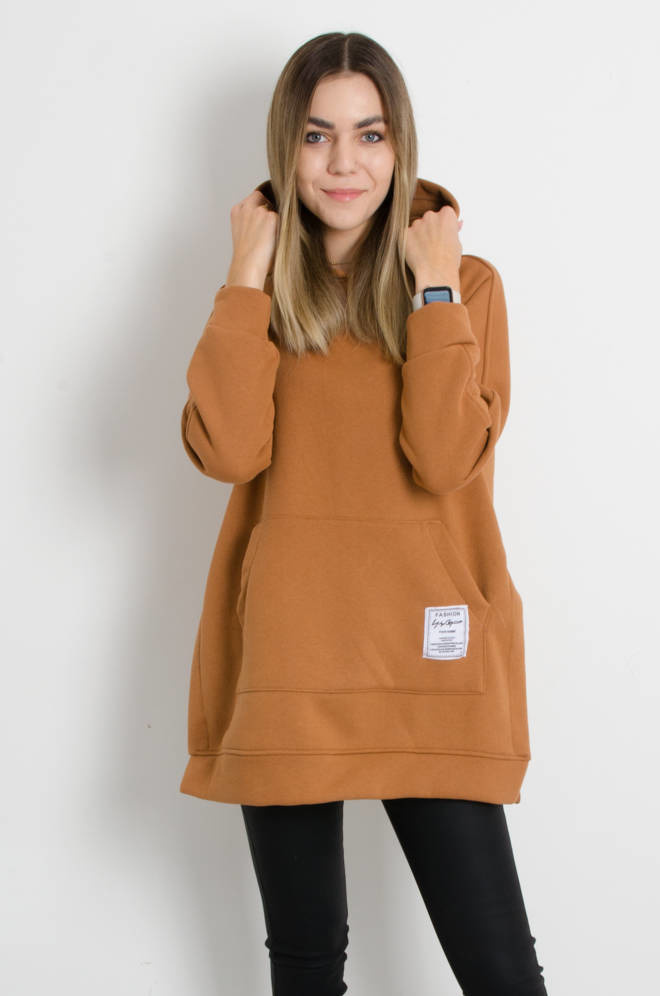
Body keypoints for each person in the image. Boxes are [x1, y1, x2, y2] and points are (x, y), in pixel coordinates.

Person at [179, 30, 548, 996]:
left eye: (370, 134)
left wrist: (434, 287)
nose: (344, 163)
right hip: (291, 660)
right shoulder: (256, 293)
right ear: (285, 148)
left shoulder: (466, 285)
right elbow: (227, 452)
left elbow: (445, 457)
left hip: (430, 659)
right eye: (317, 136)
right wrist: (245, 278)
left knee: (501, 974)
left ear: (400, 144)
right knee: (306, 971)